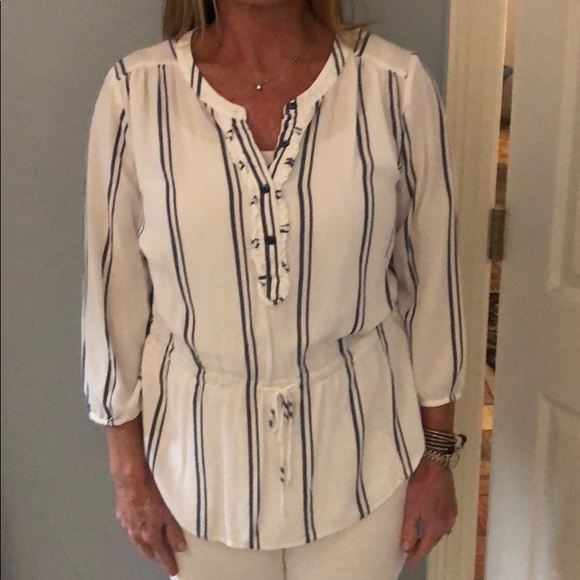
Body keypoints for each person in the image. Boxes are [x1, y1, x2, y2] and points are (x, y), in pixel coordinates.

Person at [82, 0, 467, 578]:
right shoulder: (135, 94)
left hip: (365, 460)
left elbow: (434, 285)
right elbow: (112, 294)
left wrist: (438, 458)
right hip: (198, 473)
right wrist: (128, 475)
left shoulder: (394, 85)